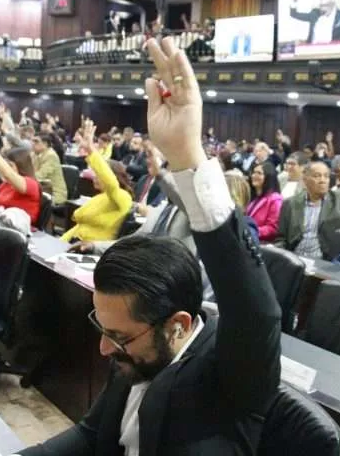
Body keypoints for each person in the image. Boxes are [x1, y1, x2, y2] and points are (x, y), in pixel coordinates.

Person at [19, 35, 280, 456]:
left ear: (176, 325)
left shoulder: (230, 376)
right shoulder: (135, 352)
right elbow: (90, 436)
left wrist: (188, 155)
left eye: (117, 337)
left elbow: (256, 311)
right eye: (103, 330)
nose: (104, 348)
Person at [277, 161, 340, 260]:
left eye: (326, 176)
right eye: (317, 176)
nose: (322, 180)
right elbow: (281, 238)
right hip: (295, 258)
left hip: (327, 261)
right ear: (305, 180)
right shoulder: (290, 203)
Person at [61, 119, 133, 243]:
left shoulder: (123, 197)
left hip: (91, 250)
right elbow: (79, 227)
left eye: (98, 174)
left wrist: (91, 150)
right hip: (74, 241)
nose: (95, 177)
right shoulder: (101, 197)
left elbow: (110, 183)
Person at [0, 146, 41, 226]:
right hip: (1, 226)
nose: (6, 168)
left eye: (10, 165)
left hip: (19, 232)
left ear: (21, 166)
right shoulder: (7, 184)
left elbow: (7, 173)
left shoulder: (31, 184)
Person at [246, 162, 282, 242]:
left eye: (259, 173)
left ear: (268, 177)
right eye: (254, 172)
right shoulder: (252, 197)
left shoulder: (275, 199)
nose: (254, 176)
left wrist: (252, 231)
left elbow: (273, 228)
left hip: (263, 244)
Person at [32, 133, 67, 205]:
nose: (33, 144)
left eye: (36, 141)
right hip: (42, 190)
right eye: (32, 141)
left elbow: (40, 176)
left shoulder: (51, 156)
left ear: (45, 144)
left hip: (54, 193)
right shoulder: (35, 154)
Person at [134, 145, 166, 217]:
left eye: (151, 156)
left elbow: (156, 207)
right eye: (147, 157)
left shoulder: (166, 183)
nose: (147, 160)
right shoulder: (143, 179)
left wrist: (135, 206)